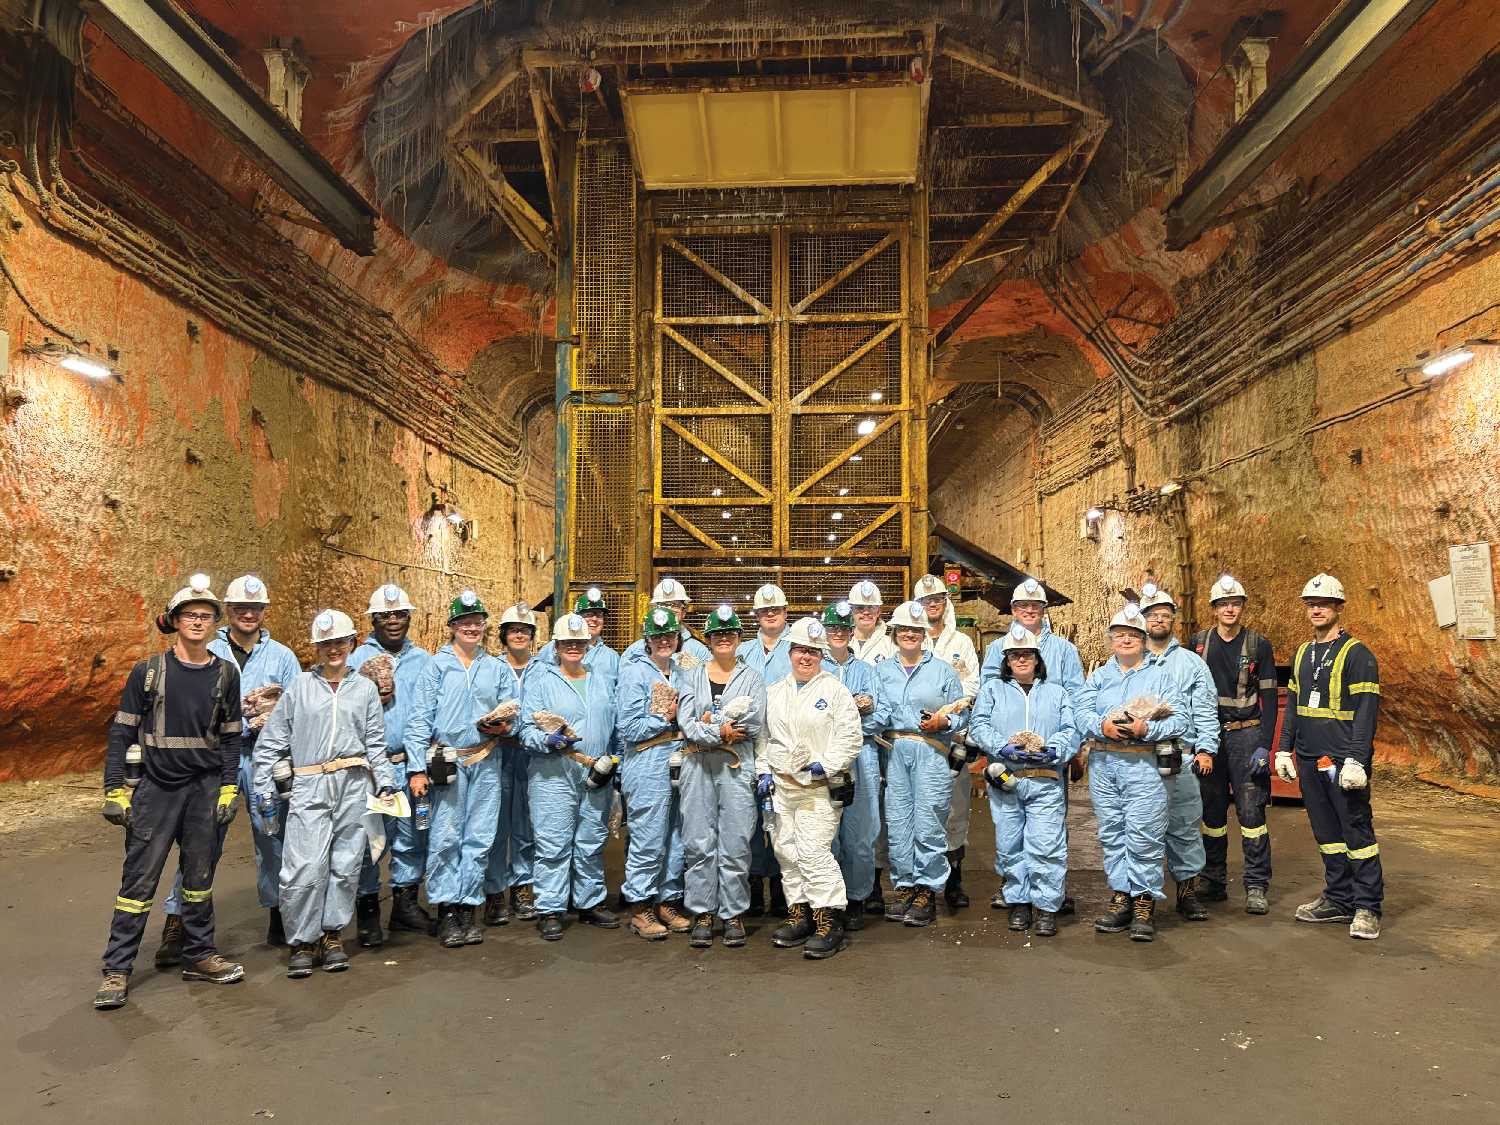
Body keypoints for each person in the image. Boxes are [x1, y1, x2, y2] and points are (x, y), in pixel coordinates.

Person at [95, 575, 245, 1011]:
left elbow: (232, 737)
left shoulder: (224, 673)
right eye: (189, 615)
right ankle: (117, 968)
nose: (198, 622)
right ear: (175, 621)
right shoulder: (149, 672)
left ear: (215, 623)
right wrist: (114, 790)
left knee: (198, 882)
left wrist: (228, 787)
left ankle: (198, 954)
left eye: (205, 616)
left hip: (204, 789)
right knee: (137, 884)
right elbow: (121, 733)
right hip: (156, 791)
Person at [157, 573, 300, 965]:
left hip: (265, 757)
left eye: (255, 608)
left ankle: (279, 912)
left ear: (263, 611)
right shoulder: (208, 649)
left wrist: (272, 713)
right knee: (201, 839)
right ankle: (178, 918)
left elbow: (296, 710)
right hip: (216, 756)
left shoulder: (283, 657)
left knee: (272, 835)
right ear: (229, 611)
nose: (248, 614)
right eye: (240, 607)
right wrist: (235, 714)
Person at [253, 610, 398, 977]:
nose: (334, 649)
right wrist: (262, 788)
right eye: (326, 643)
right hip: (310, 782)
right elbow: (271, 743)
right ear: (316, 647)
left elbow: (375, 743)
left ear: (352, 644)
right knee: (304, 865)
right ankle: (302, 939)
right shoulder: (300, 688)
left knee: (346, 864)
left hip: (353, 783)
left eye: (341, 642)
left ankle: (331, 934)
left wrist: (385, 781)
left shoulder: (364, 689)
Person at [1277, 574, 1384, 940]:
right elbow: (1292, 707)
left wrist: (1357, 759)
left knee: (1357, 832)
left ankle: (1367, 906)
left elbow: (1366, 712)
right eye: (1311, 604)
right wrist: (1283, 749)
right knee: (1327, 834)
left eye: (1323, 603)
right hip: (1309, 759)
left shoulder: (1358, 655)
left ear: (1339, 607)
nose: (1316, 609)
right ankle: (1339, 899)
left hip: (1342, 761)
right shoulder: (1303, 654)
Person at [405, 590, 514, 949]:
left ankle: (469, 908)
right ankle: (447, 910)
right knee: (445, 837)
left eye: (477, 621)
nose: (471, 627)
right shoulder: (435, 667)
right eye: (464, 622)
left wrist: (505, 726)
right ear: (452, 626)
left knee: (480, 836)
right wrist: (416, 768)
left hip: (485, 758)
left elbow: (512, 710)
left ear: (485, 625)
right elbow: (419, 719)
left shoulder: (495, 668)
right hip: (446, 762)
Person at [1074, 604, 1188, 943]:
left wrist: (1145, 728)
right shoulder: (1098, 677)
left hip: (1145, 767)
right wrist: (1101, 725)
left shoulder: (1161, 676)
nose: (1126, 640)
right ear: (1111, 641)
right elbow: (1079, 713)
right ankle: (1121, 895)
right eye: (1119, 635)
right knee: (1112, 833)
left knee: (1144, 835)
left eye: (1133, 635)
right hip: (1105, 764)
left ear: (1143, 640)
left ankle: (1143, 900)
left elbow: (1182, 720)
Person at [759, 617, 863, 959]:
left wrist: (826, 764)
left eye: (814, 652)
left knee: (814, 852)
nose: (807, 657)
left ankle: (829, 920)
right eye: (801, 650)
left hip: (818, 787)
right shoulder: (774, 692)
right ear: (790, 652)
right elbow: (764, 738)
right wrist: (763, 772)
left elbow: (850, 737)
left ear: (822, 656)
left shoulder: (834, 691)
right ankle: (800, 914)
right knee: (786, 852)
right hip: (783, 787)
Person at [980, 577, 1084, 912]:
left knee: (1049, 828)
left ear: (1044, 609)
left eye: (1035, 605)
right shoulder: (997, 648)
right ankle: (1016, 889)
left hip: (1048, 758)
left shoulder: (1064, 651)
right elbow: (987, 699)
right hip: (1009, 761)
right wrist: (998, 747)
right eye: (1022, 606)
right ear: (1013, 609)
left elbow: (1077, 701)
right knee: (1009, 832)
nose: (1028, 611)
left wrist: (1071, 748)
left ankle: (1051, 890)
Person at [518, 613, 622, 940]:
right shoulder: (541, 679)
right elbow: (525, 729)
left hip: (595, 771)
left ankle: (589, 902)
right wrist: (545, 741)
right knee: (553, 842)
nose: (574, 648)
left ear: (588, 645)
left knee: (591, 839)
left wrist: (614, 762)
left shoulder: (601, 679)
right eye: (567, 643)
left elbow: (616, 727)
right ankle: (550, 906)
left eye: (579, 643)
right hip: (553, 773)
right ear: (557, 645)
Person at [677, 604, 767, 948]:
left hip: (736, 767)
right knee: (698, 840)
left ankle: (732, 913)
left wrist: (708, 724)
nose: (723, 639)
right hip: (697, 766)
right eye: (717, 634)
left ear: (738, 638)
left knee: (736, 841)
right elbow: (686, 724)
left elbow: (753, 725)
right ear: (709, 639)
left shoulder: (753, 678)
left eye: (729, 634)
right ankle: (702, 911)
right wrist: (721, 731)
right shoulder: (692, 675)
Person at [350, 584, 435, 946]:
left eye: (400, 614)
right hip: (372, 767)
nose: (393, 621)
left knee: (412, 836)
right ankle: (367, 911)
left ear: (410, 617)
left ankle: (404, 905)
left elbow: (432, 709)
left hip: (410, 763)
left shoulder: (424, 661)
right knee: (370, 839)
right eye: (385, 615)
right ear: (373, 619)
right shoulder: (355, 661)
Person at [875, 600, 967, 927]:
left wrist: (945, 724)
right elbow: (876, 712)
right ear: (894, 633)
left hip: (931, 752)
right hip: (895, 750)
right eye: (904, 630)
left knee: (929, 821)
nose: (910, 635)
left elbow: (962, 712)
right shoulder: (881, 671)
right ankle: (905, 885)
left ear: (924, 634)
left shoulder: (942, 670)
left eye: (916, 630)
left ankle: (927, 889)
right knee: (899, 821)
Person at [1191, 574, 1278, 914]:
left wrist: (1265, 745)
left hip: (1247, 734)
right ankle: (1213, 880)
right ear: (1214, 609)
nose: (1230, 608)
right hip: (1211, 734)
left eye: (1235, 603)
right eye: (1223, 604)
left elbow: (1269, 697)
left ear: (1242, 607)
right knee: (1211, 812)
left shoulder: (1258, 644)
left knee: (1251, 811)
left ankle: (1256, 885)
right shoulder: (1198, 644)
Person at [1140, 584, 1220, 922]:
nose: (1159, 620)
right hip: (1139, 760)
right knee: (1141, 830)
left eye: (1165, 615)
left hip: (1181, 757)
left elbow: (1205, 709)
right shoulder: (1129, 660)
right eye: (1153, 615)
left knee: (1185, 826)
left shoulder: (1192, 664)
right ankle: (1141, 897)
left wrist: (1206, 749)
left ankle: (1187, 893)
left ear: (1174, 620)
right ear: (1143, 620)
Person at [616, 607, 691, 939]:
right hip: (647, 761)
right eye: (658, 637)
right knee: (648, 837)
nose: (664, 642)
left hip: (681, 758)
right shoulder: (634, 672)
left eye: (670, 636)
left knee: (677, 834)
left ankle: (668, 899)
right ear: (647, 639)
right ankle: (641, 905)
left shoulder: (683, 670)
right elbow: (629, 727)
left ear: (677, 638)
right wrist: (665, 717)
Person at [911, 574, 980, 912]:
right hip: (918, 738)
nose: (931, 604)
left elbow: (972, 685)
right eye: (925, 601)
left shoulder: (961, 643)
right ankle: (920, 882)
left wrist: (948, 713)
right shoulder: (908, 639)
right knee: (918, 811)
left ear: (945, 601)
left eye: (936, 598)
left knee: (954, 810)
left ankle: (954, 880)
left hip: (951, 736)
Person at [820, 601, 889, 931]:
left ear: (852, 633)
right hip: (826, 758)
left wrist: (846, 724)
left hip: (862, 757)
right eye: (833, 629)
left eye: (845, 630)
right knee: (826, 833)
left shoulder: (867, 671)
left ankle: (858, 897)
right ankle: (831, 900)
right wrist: (850, 712)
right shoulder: (816, 670)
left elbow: (881, 714)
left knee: (861, 834)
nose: (839, 634)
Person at [484, 602, 541, 927]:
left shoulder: (542, 667)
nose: (519, 635)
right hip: (497, 753)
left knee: (526, 825)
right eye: (514, 630)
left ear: (532, 636)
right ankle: (494, 892)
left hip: (531, 756)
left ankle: (522, 886)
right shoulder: (491, 668)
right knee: (495, 826)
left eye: (525, 630)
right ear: (504, 635)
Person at [738, 582, 792, 916]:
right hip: (748, 742)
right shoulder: (743, 651)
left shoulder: (798, 646)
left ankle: (783, 887)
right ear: (756, 615)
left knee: (784, 816)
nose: (770, 614)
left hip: (787, 742)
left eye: (776, 609)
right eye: (764, 610)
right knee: (751, 816)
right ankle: (755, 884)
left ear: (786, 612)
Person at [847, 579, 895, 912]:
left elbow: (890, 698)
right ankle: (845, 887)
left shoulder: (891, 644)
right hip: (842, 744)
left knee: (873, 817)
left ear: (880, 611)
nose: (865, 613)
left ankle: (873, 885)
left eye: (871, 608)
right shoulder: (836, 640)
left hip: (879, 742)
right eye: (859, 608)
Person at [537, 586, 621, 682]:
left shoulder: (611, 658)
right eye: (588, 614)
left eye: (599, 615)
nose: (594, 619)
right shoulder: (552, 649)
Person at [620, 578, 710, 665]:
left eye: (675, 605)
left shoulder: (698, 651)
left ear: (684, 612)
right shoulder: (635, 650)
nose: (668, 610)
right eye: (663, 605)